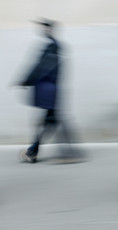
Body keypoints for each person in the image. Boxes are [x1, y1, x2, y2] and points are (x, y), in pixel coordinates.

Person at [18, 19, 81, 163]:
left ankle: (67, 154)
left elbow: (41, 67)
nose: (43, 31)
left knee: (51, 121)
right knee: (50, 121)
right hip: (51, 91)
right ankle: (34, 151)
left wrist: (26, 80)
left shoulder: (52, 47)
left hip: (49, 91)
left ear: (51, 30)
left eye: (45, 28)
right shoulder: (55, 46)